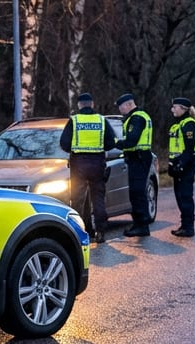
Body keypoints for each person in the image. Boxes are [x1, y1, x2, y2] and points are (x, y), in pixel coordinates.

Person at [58, 92, 115, 242]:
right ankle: (101, 232)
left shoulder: (74, 120)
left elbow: (63, 143)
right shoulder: (101, 121)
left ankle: (78, 233)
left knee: (77, 199)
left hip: (79, 165)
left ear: (79, 105)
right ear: (92, 104)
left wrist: (75, 149)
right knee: (98, 198)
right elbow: (111, 142)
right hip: (97, 164)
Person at [114, 93, 153, 237]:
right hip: (137, 157)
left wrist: (115, 143)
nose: (120, 109)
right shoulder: (135, 117)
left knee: (137, 193)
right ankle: (139, 224)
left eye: (121, 106)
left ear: (129, 104)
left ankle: (142, 225)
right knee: (136, 192)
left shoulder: (137, 118)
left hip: (139, 157)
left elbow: (132, 140)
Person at [167, 97, 195, 237]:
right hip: (178, 164)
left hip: (187, 164)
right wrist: (171, 164)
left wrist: (181, 164)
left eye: (175, 107)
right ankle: (184, 225)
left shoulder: (190, 124)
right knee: (179, 196)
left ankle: (189, 227)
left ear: (183, 108)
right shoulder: (177, 125)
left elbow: (189, 149)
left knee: (185, 196)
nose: (172, 109)